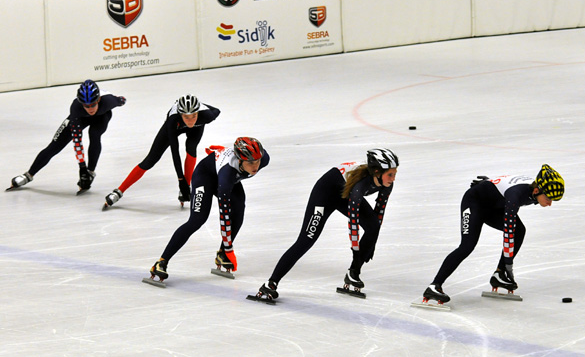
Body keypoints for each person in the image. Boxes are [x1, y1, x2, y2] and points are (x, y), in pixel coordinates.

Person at [251, 148, 399, 302]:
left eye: (395, 174)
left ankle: (352, 274)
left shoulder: (387, 184)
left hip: (344, 194)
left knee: (373, 227)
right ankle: (270, 283)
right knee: (306, 240)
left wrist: (371, 242)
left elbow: (378, 216)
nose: (393, 178)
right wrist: (357, 255)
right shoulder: (359, 187)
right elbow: (353, 225)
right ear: (376, 172)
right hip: (325, 194)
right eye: (390, 174)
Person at [421, 164, 564, 306]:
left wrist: (489, 185)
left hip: (493, 206)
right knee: (467, 245)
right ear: (537, 190)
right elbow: (508, 233)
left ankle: (499, 274)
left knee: (519, 231)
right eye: (549, 198)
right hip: (474, 202)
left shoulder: (533, 188)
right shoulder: (516, 195)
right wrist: (509, 265)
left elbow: (505, 182)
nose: (550, 203)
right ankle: (434, 286)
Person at [146, 137, 268, 285]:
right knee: (197, 220)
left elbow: (253, 161)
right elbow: (224, 216)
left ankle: (221, 254)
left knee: (239, 210)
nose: (255, 166)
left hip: (227, 177)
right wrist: (230, 249)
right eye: (250, 162)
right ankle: (161, 262)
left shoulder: (264, 159)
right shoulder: (227, 173)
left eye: (257, 161)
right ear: (240, 160)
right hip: (205, 176)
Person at [7, 79, 126, 193]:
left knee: (94, 135)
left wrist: (86, 172)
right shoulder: (76, 108)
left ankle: (91, 172)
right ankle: (28, 175)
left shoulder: (109, 101)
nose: (90, 109)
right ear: (81, 103)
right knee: (55, 145)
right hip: (80, 118)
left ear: (99, 99)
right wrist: (81, 167)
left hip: (102, 116)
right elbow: (77, 140)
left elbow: (122, 99)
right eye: (86, 105)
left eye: (93, 104)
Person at [103, 94, 220, 210]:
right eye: (186, 117)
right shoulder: (173, 118)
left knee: (191, 148)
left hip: (196, 129)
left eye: (194, 116)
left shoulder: (207, 116)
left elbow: (217, 110)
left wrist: (185, 184)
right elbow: (175, 151)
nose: (190, 121)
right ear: (180, 114)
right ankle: (118, 191)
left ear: (198, 112)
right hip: (175, 127)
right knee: (150, 160)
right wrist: (181, 180)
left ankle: (187, 186)